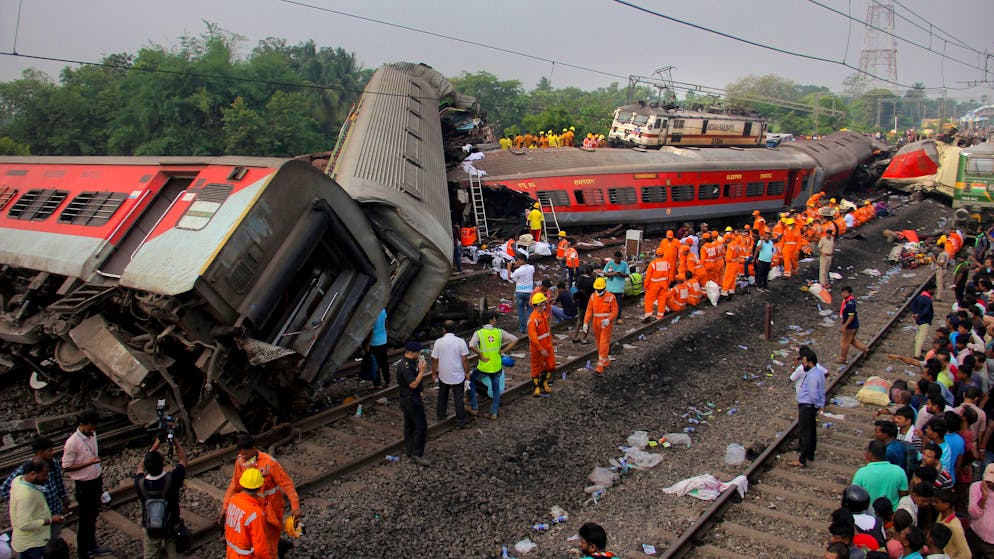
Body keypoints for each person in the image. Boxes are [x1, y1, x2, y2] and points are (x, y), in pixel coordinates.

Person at [220, 435, 301, 559]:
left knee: (269, 545)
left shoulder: (269, 464)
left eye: (245, 453)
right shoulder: (241, 462)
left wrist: (295, 508)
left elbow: (287, 485)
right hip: (254, 510)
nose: (244, 457)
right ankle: (280, 548)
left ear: (253, 448)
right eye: (241, 454)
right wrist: (225, 507)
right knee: (259, 542)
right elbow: (234, 485)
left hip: (271, 511)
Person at [61, 409, 112, 558]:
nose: (92, 431)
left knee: (93, 515)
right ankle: (84, 551)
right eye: (90, 428)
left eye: (94, 428)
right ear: (82, 425)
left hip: (95, 479)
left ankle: (92, 546)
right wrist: (89, 463)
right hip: (84, 484)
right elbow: (66, 466)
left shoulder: (92, 434)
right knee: (85, 519)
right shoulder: (72, 443)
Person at [0, 437, 68, 540]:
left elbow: (59, 484)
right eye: (49, 450)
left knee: (54, 538)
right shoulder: (27, 468)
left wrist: (64, 500)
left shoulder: (53, 464)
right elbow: (5, 488)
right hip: (38, 516)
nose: (52, 453)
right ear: (40, 452)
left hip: (54, 510)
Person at [135, 436, 188, 559]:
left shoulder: (140, 483)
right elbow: (183, 460)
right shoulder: (172, 478)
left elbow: (139, 468)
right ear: (162, 464)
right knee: (175, 554)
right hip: (172, 523)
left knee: (151, 555)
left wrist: (155, 445)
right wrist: (175, 441)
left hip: (151, 525)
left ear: (147, 468)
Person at [467, 313, 518, 420]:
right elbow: (514, 339)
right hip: (496, 366)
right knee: (496, 390)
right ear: (490, 320)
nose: (496, 321)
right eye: (495, 319)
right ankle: (493, 413)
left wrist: (480, 354)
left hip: (484, 366)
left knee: (471, 381)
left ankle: (474, 407)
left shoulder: (479, 333)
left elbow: (471, 345)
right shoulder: (499, 332)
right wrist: (504, 351)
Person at [9, 460, 61, 559]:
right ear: (33, 474)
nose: (46, 478)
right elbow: (24, 524)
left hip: (24, 542)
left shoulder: (18, 480)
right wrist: (50, 520)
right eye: (44, 475)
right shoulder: (27, 494)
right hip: (33, 544)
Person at [789, 346, 826, 467]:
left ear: (810, 362)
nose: (803, 364)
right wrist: (820, 404)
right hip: (811, 406)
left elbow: (813, 393)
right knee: (811, 431)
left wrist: (817, 404)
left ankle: (802, 459)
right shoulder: (819, 372)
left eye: (804, 362)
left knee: (805, 432)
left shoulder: (812, 376)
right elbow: (821, 391)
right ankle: (810, 454)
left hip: (807, 406)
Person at [224, 468, 273, 559]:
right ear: (260, 487)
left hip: (231, 553)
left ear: (242, 485)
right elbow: (260, 548)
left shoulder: (234, 499)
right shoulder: (254, 513)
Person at [431, 320, 471, 428]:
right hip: (458, 373)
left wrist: (434, 373)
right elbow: (464, 359)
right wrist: (467, 372)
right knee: (458, 397)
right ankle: (460, 422)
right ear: (455, 329)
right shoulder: (460, 342)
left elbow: (435, 359)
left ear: (443, 330)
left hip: (443, 373)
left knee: (442, 395)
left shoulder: (438, 342)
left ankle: (441, 415)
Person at [396, 342, 430, 464]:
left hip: (407, 398)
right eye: (418, 353)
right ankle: (417, 454)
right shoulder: (405, 366)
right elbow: (413, 384)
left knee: (409, 425)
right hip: (411, 400)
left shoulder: (407, 363)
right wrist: (422, 371)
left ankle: (410, 450)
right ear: (411, 352)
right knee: (421, 426)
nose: (419, 355)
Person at [852, 439, 910, 510]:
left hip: (870, 514)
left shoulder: (861, 473)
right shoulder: (899, 471)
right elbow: (904, 495)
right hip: (891, 514)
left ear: (870, 454)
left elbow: (854, 494)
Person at [582, 277, 618, 375]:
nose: (599, 291)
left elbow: (615, 311)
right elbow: (589, 310)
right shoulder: (593, 297)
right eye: (597, 289)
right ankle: (605, 361)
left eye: (600, 289)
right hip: (596, 323)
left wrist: (608, 319)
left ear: (604, 287)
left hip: (605, 324)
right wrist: (585, 322)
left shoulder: (611, 297)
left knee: (603, 343)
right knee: (598, 343)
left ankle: (600, 366)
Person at [528, 292, 556, 396]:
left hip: (547, 345)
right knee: (536, 368)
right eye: (543, 302)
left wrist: (550, 340)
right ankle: (537, 388)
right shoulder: (533, 319)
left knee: (551, 365)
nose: (544, 304)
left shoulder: (543, 314)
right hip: (537, 348)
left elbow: (547, 330)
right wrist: (541, 349)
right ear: (539, 304)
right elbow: (534, 339)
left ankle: (544, 382)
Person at [933, 490, 970, 559]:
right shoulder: (940, 514)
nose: (933, 504)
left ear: (947, 504)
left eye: (936, 502)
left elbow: (966, 555)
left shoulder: (955, 527)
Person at [967, 463, 994, 557]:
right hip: (975, 535)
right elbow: (973, 514)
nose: (990, 483)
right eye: (988, 480)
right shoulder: (976, 487)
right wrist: (984, 497)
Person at [838, 286, 870, 364]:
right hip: (852, 325)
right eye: (843, 292)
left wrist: (844, 326)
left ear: (849, 293)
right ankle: (865, 349)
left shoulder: (850, 303)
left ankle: (842, 358)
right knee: (852, 340)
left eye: (845, 293)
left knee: (844, 343)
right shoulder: (846, 301)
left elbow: (851, 316)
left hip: (850, 326)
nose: (843, 294)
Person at [508, 254, 535, 334]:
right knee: (529, 309)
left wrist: (509, 268)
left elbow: (510, 277)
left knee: (520, 310)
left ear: (521, 260)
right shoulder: (531, 268)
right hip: (529, 292)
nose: (516, 262)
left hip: (519, 292)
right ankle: (528, 327)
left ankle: (522, 329)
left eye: (518, 260)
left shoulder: (518, 271)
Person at [363, 308, 390, 387]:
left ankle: (377, 384)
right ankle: (387, 382)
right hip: (383, 340)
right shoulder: (383, 310)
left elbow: (371, 331)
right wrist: (385, 334)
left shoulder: (371, 313)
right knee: (384, 363)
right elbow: (386, 323)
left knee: (375, 364)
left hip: (374, 343)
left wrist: (367, 345)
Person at [602, 252, 629, 323]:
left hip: (619, 288)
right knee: (607, 304)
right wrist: (613, 274)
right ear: (614, 257)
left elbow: (627, 274)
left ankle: (618, 318)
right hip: (610, 288)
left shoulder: (624, 264)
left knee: (618, 304)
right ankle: (607, 317)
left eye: (619, 259)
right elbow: (604, 273)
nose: (617, 261)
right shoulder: (610, 263)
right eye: (616, 259)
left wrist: (620, 274)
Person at [911, 285, 935, 360]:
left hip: (918, 320)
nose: (934, 291)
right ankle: (917, 355)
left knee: (918, 335)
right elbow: (926, 310)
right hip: (925, 320)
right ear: (929, 290)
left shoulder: (919, 296)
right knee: (921, 337)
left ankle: (918, 349)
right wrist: (919, 315)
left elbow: (912, 305)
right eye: (933, 289)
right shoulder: (927, 299)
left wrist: (915, 314)